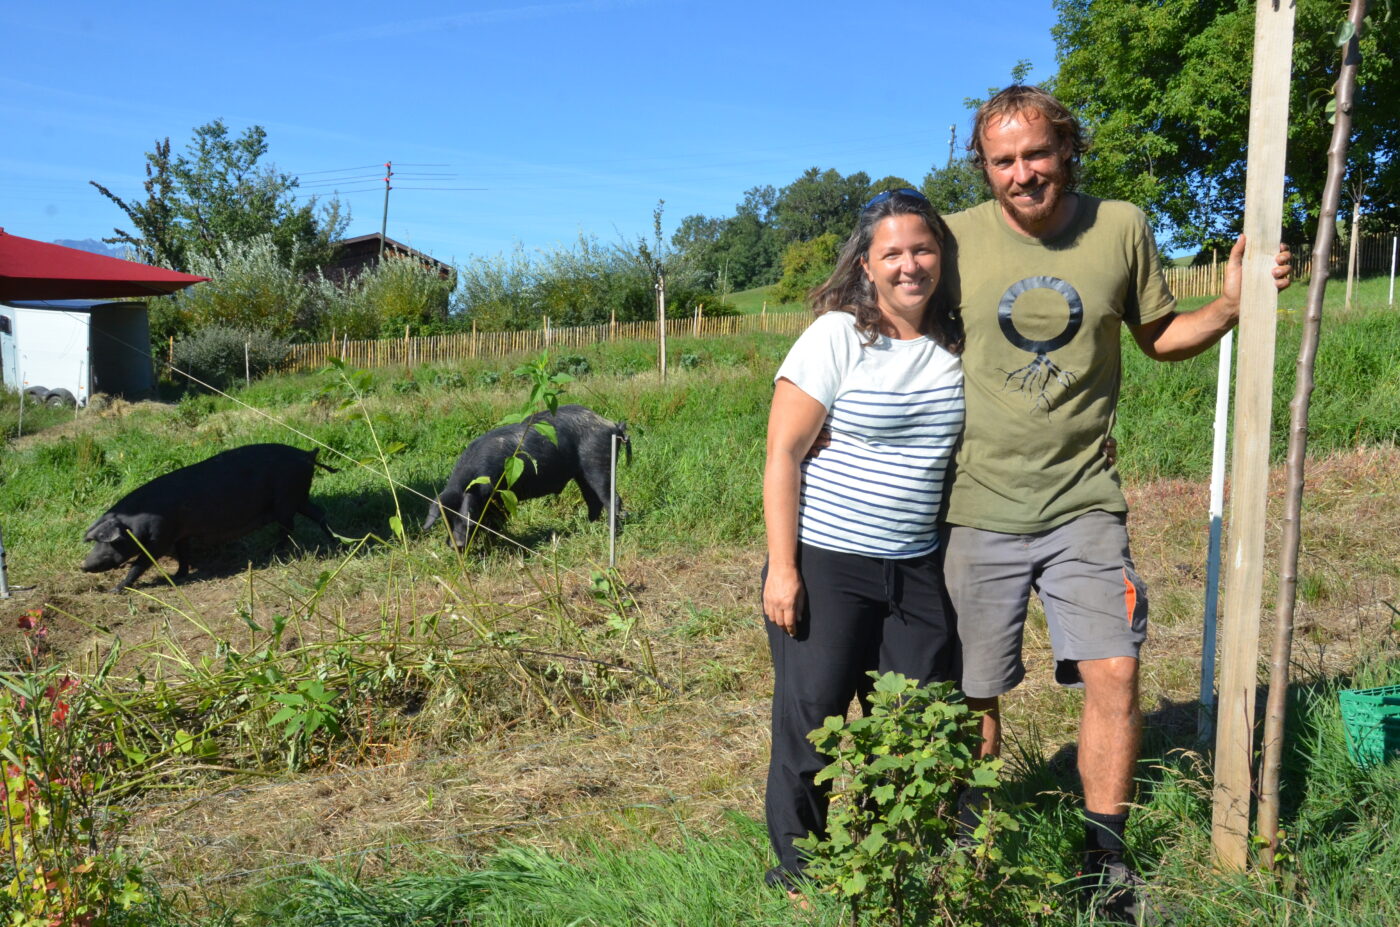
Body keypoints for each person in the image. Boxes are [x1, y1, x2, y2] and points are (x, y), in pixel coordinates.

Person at [938, 84, 1292, 921]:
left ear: (1067, 150)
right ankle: (969, 838)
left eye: (1037, 154)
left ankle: (1105, 856)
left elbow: (1158, 337)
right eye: (1004, 161)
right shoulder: (951, 240)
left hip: (1084, 503)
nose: (1023, 174)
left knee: (1117, 670)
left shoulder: (1122, 227)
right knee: (971, 690)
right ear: (985, 168)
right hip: (973, 505)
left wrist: (1235, 305)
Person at [761, 188, 964, 895]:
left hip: (917, 566)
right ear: (868, 264)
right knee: (812, 716)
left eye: (923, 248)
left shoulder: (959, 343)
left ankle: (888, 856)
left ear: (943, 254)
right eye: (894, 253)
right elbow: (783, 453)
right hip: (828, 560)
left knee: (909, 717)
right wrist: (783, 569)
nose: (910, 265)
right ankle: (797, 873)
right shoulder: (837, 337)